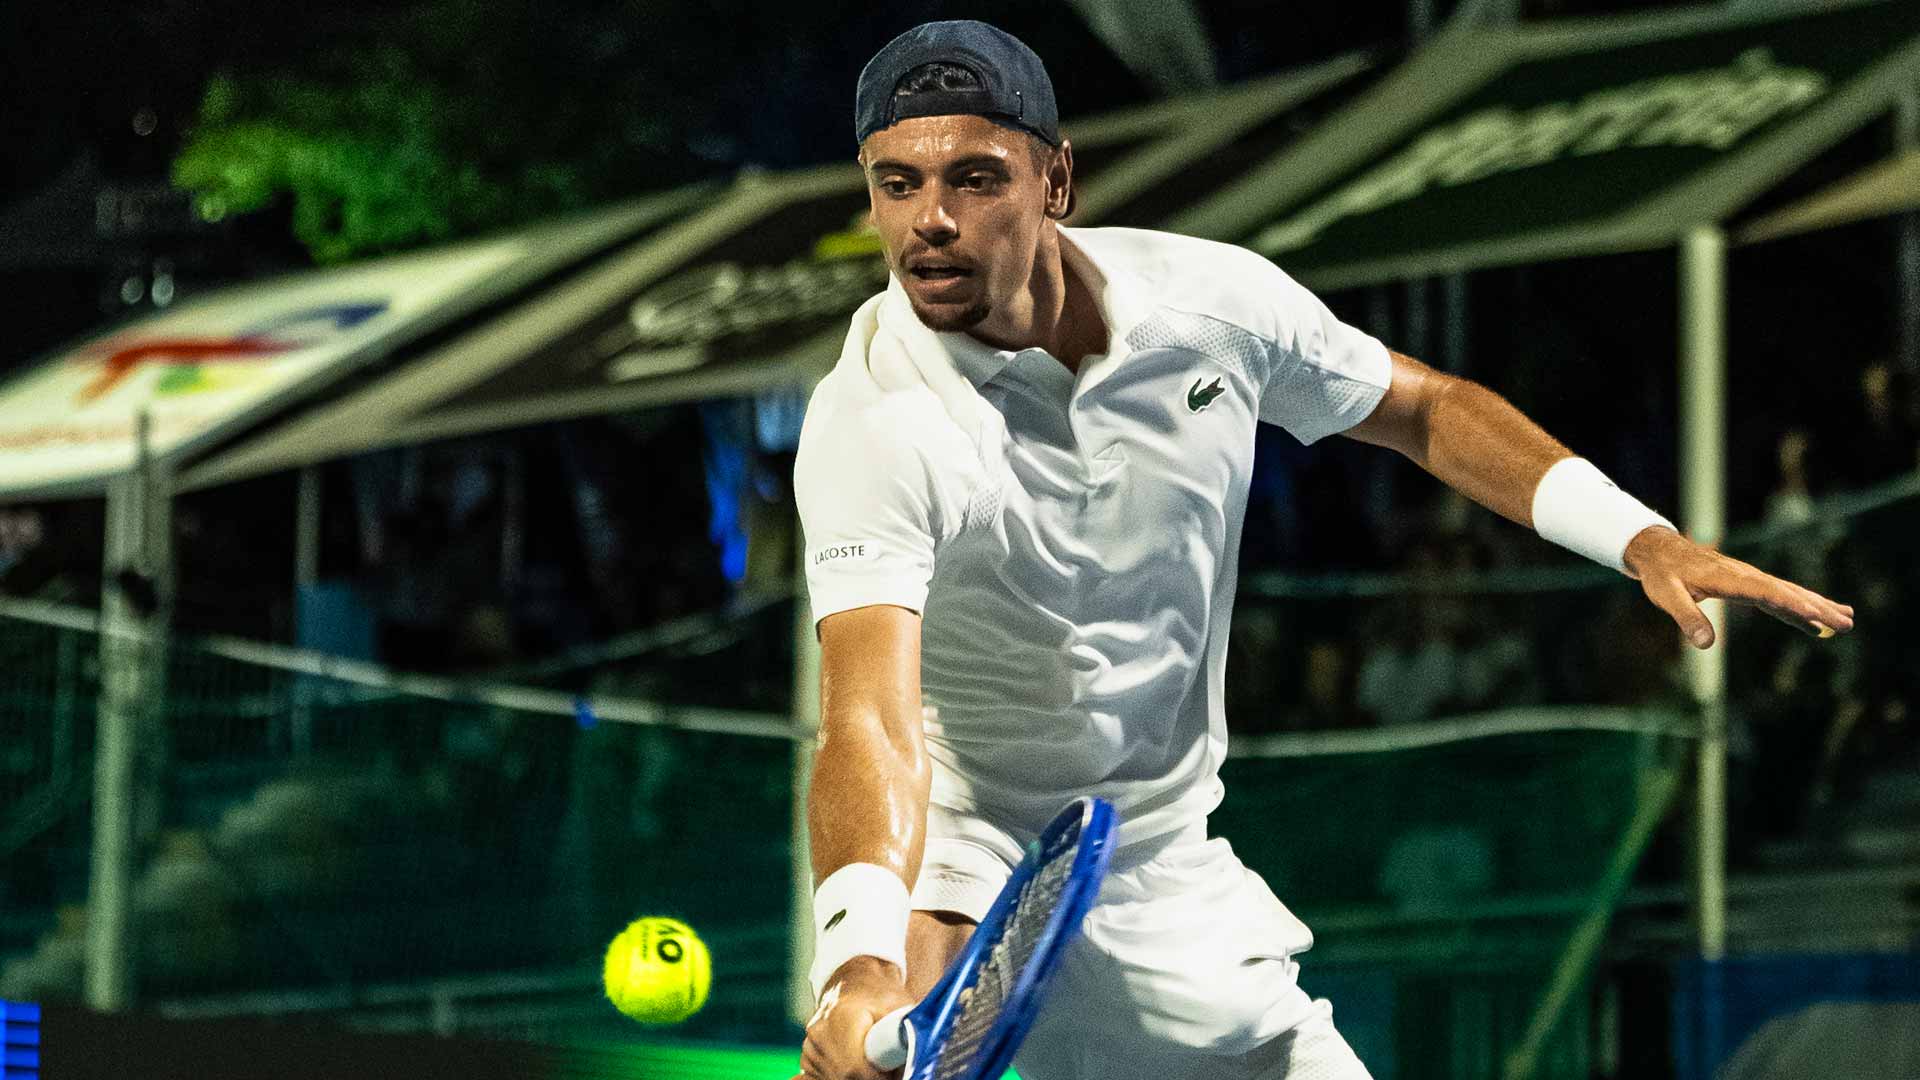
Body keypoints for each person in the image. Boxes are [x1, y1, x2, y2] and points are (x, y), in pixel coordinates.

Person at [792, 21, 1855, 1080]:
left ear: (1056, 180)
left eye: (974, 179)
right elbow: (870, 720)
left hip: (1161, 850)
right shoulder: (873, 426)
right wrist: (858, 959)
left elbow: (1424, 410)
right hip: (966, 856)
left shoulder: (1213, 310)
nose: (929, 221)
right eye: (896, 185)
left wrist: (1637, 534)